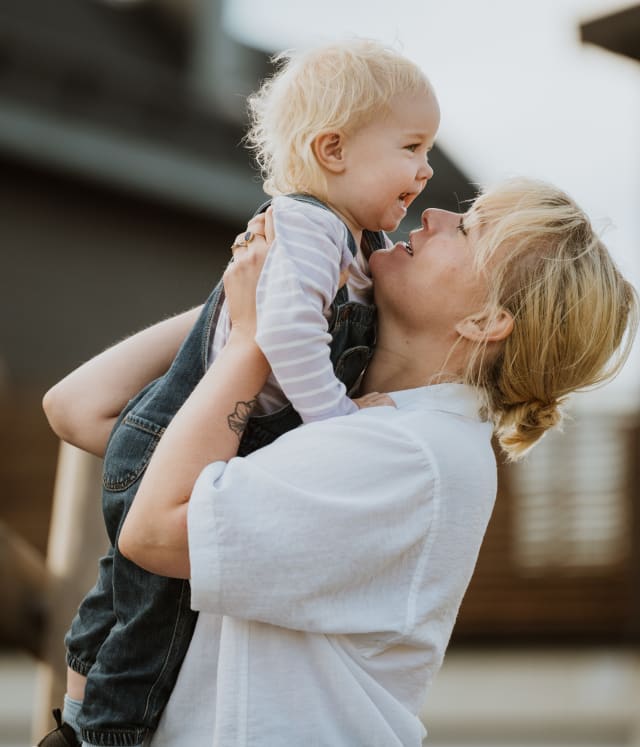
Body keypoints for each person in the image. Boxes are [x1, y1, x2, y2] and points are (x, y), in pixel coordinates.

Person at [47, 177, 638, 745]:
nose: (435, 215)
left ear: (486, 322)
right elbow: (81, 407)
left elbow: (154, 533)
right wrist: (271, 298)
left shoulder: (413, 452)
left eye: (470, 230)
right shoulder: (338, 406)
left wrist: (256, 335)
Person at [37, 38, 439, 747]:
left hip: (184, 439)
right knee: (158, 622)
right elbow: (283, 334)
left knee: (126, 596)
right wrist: (336, 421)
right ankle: (104, 733)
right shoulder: (308, 229)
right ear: (334, 150)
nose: (427, 169)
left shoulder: (349, 239)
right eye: (411, 146)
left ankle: (72, 706)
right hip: (176, 444)